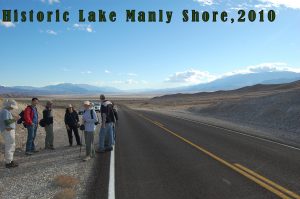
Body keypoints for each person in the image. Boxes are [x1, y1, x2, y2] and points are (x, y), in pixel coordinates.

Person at [0, 99, 19, 168]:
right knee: (9, 146)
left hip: (8, 130)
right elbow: (7, 122)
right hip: (8, 131)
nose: (12, 108)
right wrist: (15, 119)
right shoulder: (5, 111)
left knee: (10, 145)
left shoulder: (5, 111)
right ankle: (8, 162)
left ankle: (10, 160)